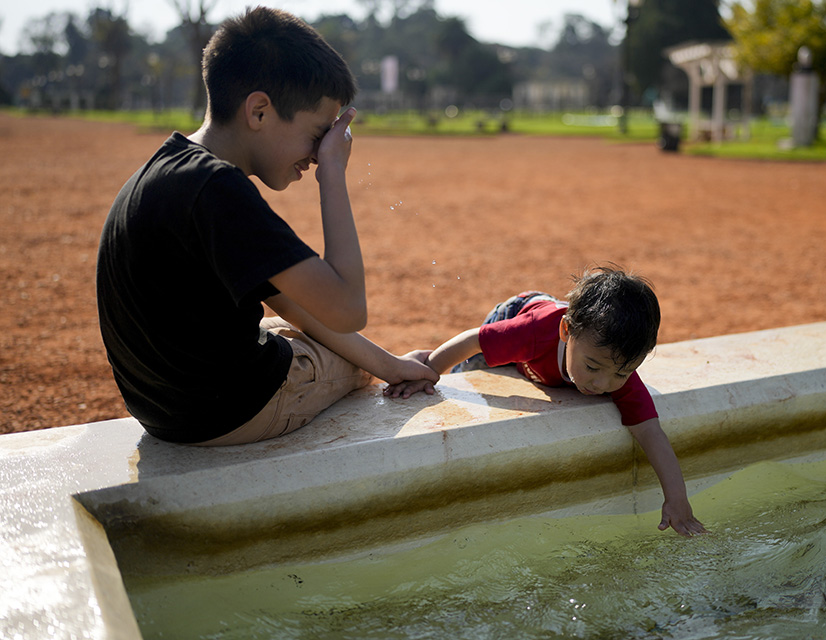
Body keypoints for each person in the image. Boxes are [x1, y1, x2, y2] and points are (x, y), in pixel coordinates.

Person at [96, 7, 437, 446]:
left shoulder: (170, 170)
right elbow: (348, 309)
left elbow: (290, 301)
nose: (318, 152)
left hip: (161, 411)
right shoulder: (219, 188)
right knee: (349, 362)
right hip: (230, 412)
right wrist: (332, 172)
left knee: (289, 328)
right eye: (318, 135)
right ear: (258, 111)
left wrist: (390, 362)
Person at [385, 266, 706, 536]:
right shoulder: (534, 333)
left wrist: (677, 498)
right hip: (520, 310)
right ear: (567, 332)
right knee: (471, 371)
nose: (603, 385)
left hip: (570, 327)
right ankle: (424, 360)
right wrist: (429, 373)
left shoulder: (613, 364)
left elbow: (650, 431)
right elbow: (473, 341)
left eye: (621, 374)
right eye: (592, 368)